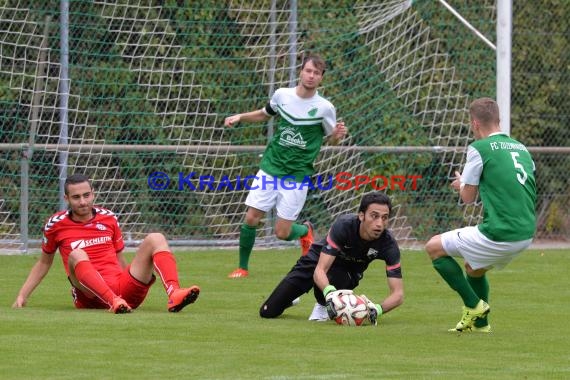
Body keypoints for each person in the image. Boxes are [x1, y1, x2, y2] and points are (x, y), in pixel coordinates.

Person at [224, 53, 348, 278]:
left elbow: (330, 138)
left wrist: (337, 135)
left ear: (322, 78)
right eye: (308, 71)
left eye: (316, 73)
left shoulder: (325, 108)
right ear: (300, 71)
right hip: (271, 167)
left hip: (297, 175)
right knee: (251, 217)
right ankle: (242, 267)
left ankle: (305, 231)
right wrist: (240, 117)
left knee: (282, 233)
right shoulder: (282, 95)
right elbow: (264, 114)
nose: (311, 76)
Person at [12, 173, 200, 314]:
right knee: (77, 253)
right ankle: (113, 302)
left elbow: (120, 259)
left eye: (87, 195)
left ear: (93, 194)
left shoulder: (108, 218)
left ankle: (174, 294)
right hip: (89, 295)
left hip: (121, 288)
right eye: (76, 197)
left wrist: (134, 285)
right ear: (66, 199)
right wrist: (22, 295)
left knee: (156, 237)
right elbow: (44, 262)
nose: (83, 202)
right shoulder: (56, 224)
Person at [425, 97, 536, 332]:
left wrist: (462, 184)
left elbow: (468, 198)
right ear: (499, 119)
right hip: (525, 233)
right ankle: (481, 325)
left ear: (474, 123)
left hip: (500, 232)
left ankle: (474, 306)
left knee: (433, 247)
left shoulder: (479, 148)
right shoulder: (521, 148)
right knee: (474, 269)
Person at [259, 192, 404, 323]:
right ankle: (292, 298)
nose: (379, 223)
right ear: (361, 216)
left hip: (346, 273)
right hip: (316, 260)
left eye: (384, 218)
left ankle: (322, 306)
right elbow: (320, 270)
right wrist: (330, 294)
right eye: (374, 216)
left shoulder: (388, 244)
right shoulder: (344, 226)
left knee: (335, 275)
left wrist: (377, 309)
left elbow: (398, 294)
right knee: (267, 312)